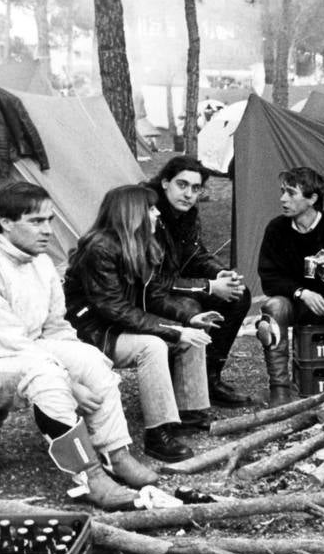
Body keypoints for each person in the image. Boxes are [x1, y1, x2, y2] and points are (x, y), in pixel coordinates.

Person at [0, 182, 155, 510]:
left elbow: (55, 328)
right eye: (36, 221)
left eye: (50, 220)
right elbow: (1, 340)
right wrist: (69, 383)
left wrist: (79, 366)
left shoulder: (39, 261)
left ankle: (115, 453)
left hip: (17, 351)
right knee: (46, 376)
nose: (47, 230)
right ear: (6, 223)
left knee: (91, 360)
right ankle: (89, 477)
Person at [64, 185, 218, 464]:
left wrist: (189, 320)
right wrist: (173, 330)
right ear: (131, 212)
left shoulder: (140, 244)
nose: (157, 213)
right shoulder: (100, 248)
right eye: (151, 208)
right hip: (94, 333)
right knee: (153, 345)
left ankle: (188, 412)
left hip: (119, 325)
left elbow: (154, 295)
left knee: (192, 333)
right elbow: (113, 309)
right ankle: (157, 434)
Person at [149, 155, 252, 406]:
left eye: (195, 188)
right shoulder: (147, 212)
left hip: (169, 284)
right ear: (165, 182)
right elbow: (152, 281)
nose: (188, 194)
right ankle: (180, 387)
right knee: (189, 307)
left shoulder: (186, 214)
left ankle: (210, 377)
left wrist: (219, 275)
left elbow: (196, 254)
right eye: (182, 185)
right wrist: (209, 287)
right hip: (141, 294)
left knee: (240, 293)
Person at [255, 167, 324, 406]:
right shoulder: (276, 229)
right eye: (283, 192)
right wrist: (302, 292)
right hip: (296, 303)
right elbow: (269, 277)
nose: (283, 199)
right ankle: (280, 389)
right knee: (273, 308)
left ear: (312, 199)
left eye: (291, 193)